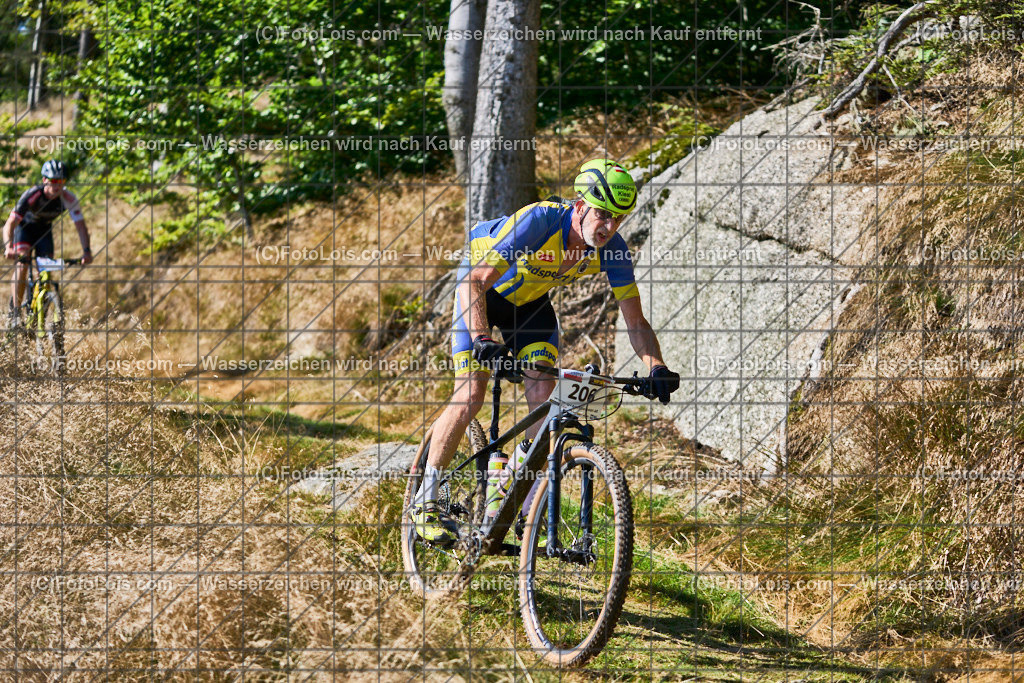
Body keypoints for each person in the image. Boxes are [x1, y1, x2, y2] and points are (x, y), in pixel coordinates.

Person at [412, 158, 681, 543]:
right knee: (471, 394)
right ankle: (426, 500)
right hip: (481, 291)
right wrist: (484, 340)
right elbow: (474, 282)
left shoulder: (613, 250)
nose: (609, 227)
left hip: (529, 305)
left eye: (619, 219)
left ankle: (516, 490)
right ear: (579, 206)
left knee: (543, 396)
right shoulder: (539, 221)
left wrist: (657, 368)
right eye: (603, 214)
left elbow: (636, 322)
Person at [3, 159, 92, 328]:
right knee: (22, 265)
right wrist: (8, 247)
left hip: (44, 232)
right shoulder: (32, 195)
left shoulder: (67, 197)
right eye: (54, 181)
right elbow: (10, 224)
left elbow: (80, 226)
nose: (58, 186)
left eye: (62, 181)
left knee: (46, 272)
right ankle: (15, 313)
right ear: (45, 180)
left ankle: (39, 318)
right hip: (25, 231)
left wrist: (86, 251)